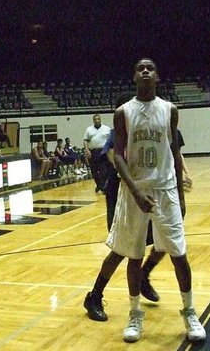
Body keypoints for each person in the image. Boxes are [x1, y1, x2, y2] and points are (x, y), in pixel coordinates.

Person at [101, 58, 206, 344]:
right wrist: (135, 190)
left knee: (178, 253)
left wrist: (181, 195)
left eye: (150, 68)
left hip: (165, 189)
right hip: (135, 189)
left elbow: (173, 151)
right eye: (140, 68)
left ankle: (190, 311)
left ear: (157, 76)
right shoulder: (123, 112)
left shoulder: (170, 110)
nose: (145, 71)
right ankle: (135, 314)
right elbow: (119, 155)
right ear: (134, 76)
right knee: (134, 255)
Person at [84, 93, 196, 321]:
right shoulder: (118, 132)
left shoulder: (164, 118)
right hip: (124, 191)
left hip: (156, 190)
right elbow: (114, 157)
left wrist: (181, 179)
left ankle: (144, 274)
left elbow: (175, 153)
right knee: (122, 250)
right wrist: (134, 185)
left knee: (164, 242)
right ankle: (94, 296)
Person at [84, 113, 112, 193]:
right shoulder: (89, 130)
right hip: (93, 152)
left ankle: (103, 187)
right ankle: (99, 185)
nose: (97, 120)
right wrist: (87, 150)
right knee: (94, 171)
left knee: (104, 170)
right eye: (95, 119)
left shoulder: (106, 129)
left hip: (103, 151)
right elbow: (85, 140)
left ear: (100, 120)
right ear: (93, 120)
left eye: (98, 119)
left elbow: (110, 140)